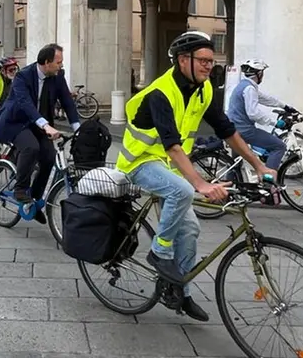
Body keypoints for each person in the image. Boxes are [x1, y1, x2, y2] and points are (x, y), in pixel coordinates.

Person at [116, 31, 276, 322]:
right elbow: (172, 145)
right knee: (184, 191)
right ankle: (159, 252)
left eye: (211, 62)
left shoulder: (204, 91)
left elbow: (227, 131)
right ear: (182, 60)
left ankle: (179, 292)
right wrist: (200, 183)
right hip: (140, 162)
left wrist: (258, 166)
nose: (208, 66)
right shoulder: (160, 93)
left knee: (190, 230)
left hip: (172, 167)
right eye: (202, 60)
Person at [0, 44, 80, 223]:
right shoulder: (23, 76)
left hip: (38, 124)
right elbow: (26, 104)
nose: (61, 65)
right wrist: (46, 126)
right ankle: (20, 189)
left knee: (49, 158)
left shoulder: (57, 76)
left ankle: (33, 200)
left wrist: (78, 127)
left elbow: (67, 101)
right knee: (31, 147)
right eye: (58, 62)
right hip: (15, 123)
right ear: (46, 63)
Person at [227, 59, 295, 170]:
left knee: (237, 161)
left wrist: (286, 107)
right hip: (244, 130)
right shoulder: (249, 89)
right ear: (259, 74)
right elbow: (253, 114)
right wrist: (275, 123)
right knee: (279, 146)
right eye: (262, 73)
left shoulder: (245, 85)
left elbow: (266, 99)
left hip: (234, 128)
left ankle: (232, 180)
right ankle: (268, 180)